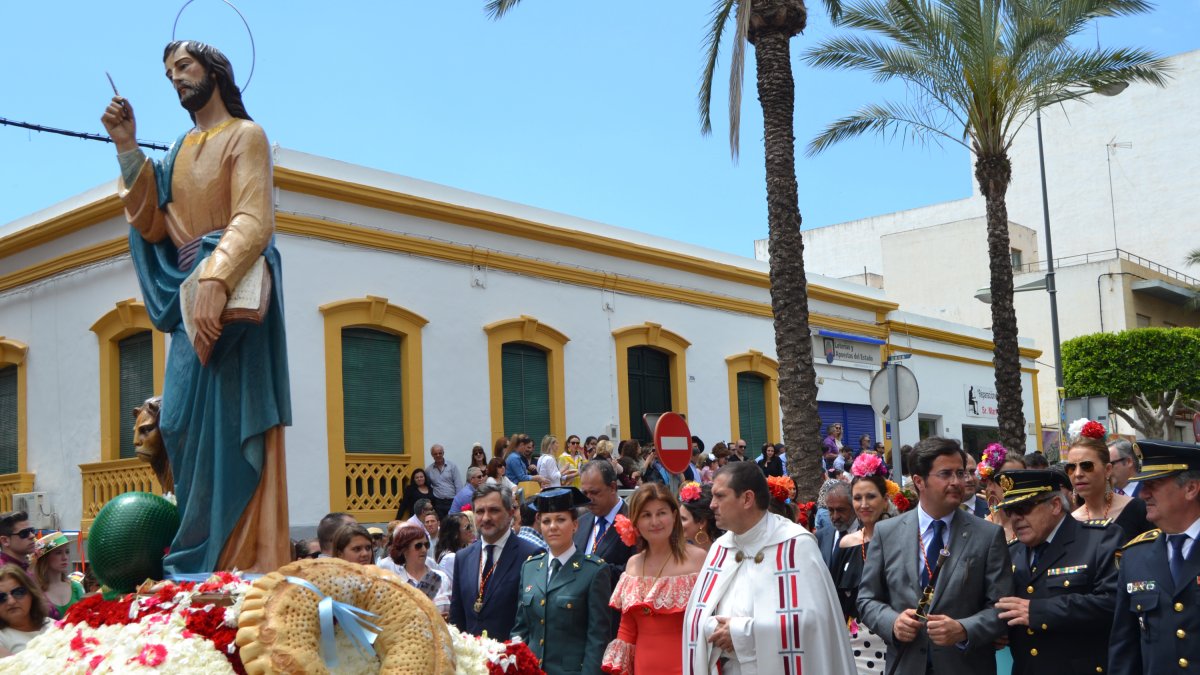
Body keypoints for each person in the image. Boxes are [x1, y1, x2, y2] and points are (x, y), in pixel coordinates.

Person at [101, 40, 291, 574]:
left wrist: (216, 275)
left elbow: (253, 218)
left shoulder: (245, 136)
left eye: (183, 67)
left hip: (230, 304)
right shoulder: (179, 148)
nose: (176, 78)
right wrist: (126, 146)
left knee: (233, 426)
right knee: (179, 422)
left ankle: (240, 559)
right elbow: (153, 224)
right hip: (190, 302)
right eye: (169, 73)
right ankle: (195, 558)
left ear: (214, 71)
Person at [857, 437, 1013, 675]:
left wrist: (963, 629)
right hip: (906, 665)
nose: (957, 482)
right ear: (919, 481)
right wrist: (893, 623)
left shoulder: (988, 535)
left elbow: (1001, 608)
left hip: (965, 666)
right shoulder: (887, 532)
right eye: (946, 474)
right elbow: (867, 599)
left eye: (960, 473)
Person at [991, 469, 1121, 675]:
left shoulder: (1099, 541)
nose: (1016, 518)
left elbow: (1113, 603)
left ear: (1055, 505)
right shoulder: (1011, 552)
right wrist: (997, 631)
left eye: (1023, 508)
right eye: (1009, 511)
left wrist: (1040, 612)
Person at [1109, 440, 1200, 675]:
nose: (1143, 493)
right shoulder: (1134, 556)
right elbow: (1125, 647)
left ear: (1191, 488)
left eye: (1153, 484)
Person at [603, 484, 705, 674]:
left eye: (661, 513)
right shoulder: (633, 564)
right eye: (646, 515)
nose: (655, 521)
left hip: (689, 665)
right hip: (644, 666)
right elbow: (627, 628)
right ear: (636, 523)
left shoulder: (699, 559)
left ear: (674, 516)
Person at [511, 488, 610, 674]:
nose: (553, 526)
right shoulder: (530, 568)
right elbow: (521, 629)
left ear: (575, 525)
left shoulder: (593, 571)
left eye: (560, 519)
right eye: (546, 521)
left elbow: (597, 639)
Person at [449, 483, 542, 637]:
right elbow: (457, 618)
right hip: (470, 657)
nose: (486, 518)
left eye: (494, 510)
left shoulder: (531, 555)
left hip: (513, 656)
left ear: (511, 513)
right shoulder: (463, 557)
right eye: (479, 511)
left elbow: (534, 619)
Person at [835, 454, 894, 675]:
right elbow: (836, 601)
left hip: (894, 640)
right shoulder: (846, 544)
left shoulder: (902, 539)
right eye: (857, 497)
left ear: (885, 499)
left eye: (871, 496)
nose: (863, 504)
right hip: (854, 645)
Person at [1066, 433, 1149, 541]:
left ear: (1107, 470)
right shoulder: (1071, 522)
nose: (1077, 474)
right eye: (1071, 468)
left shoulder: (1139, 509)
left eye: (1086, 466)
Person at [389, 524, 451, 618]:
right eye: (418, 546)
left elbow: (456, 611)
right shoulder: (395, 584)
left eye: (426, 545)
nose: (424, 549)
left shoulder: (442, 577)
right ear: (404, 550)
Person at [0, 565, 51, 656]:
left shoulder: (53, 625)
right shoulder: (2, 638)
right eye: (1, 597)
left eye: (18, 592)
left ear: (31, 594)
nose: (11, 601)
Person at [32, 533, 85, 616]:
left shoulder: (76, 587)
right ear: (45, 558)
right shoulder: (35, 592)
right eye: (58, 552)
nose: (65, 557)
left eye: (67, 552)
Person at [816, 481, 857, 571]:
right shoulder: (821, 536)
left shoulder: (867, 536)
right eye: (830, 510)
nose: (835, 516)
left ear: (854, 507)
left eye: (841, 510)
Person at [434, 512, 476, 587]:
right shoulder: (451, 558)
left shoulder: (458, 552)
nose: (471, 530)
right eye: (467, 527)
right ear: (455, 534)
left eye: (471, 526)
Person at [680, 482, 723, 551]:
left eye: (683, 519)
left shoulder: (721, 550)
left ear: (702, 522)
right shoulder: (679, 550)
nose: (676, 523)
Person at [427, 444, 464, 519]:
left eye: (440, 453)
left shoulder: (452, 466)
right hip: (438, 503)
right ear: (432, 455)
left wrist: (458, 501)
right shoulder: (428, 470)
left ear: (443, 453)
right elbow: (428, 487)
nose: (438, 455)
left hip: (452, 501)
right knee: (442, 525)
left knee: (453, 523)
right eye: (435, 454)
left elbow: (458, 485)